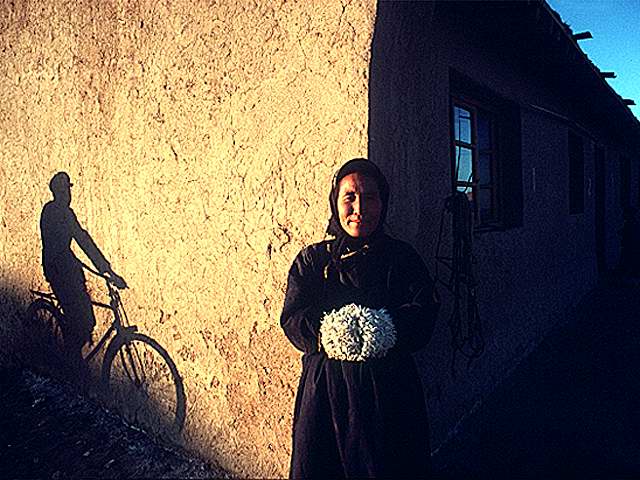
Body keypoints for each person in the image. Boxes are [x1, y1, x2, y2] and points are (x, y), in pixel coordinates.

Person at [280, 158, 440, 478]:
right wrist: (328, 332)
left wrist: (385, 329)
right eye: (350, 197)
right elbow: (293, 317)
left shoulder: (402, 258)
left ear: (383, 202)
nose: (359, 208)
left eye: (370, 197)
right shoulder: (313, 261)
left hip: (390, 392)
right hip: (326, 395)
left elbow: (425, 311)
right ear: (335, 202)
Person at [40, 171, 126, 383]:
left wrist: (106, 270)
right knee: (80, 318)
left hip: (69, 269)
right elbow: (64, 244)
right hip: (58, 271)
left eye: (68, 190)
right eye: (63, 191)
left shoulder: (66, 213)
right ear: (56, 192)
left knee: (86, 319)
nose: (67, 194)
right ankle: (70, 362)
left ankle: (73, 358)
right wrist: (102, 269)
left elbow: (83, 240)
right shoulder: (52, 212)